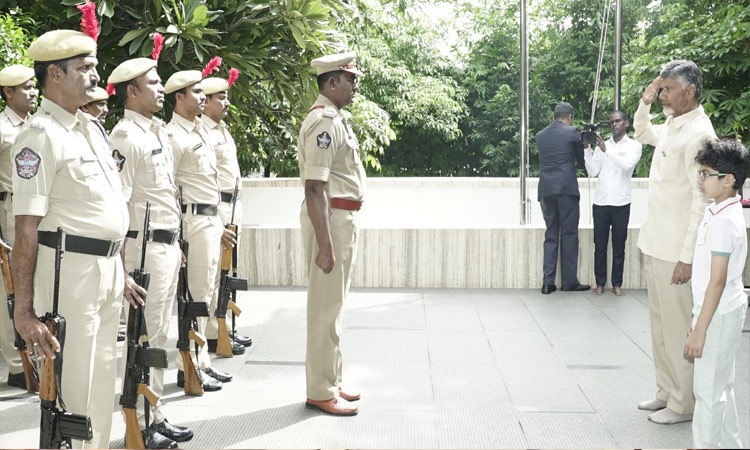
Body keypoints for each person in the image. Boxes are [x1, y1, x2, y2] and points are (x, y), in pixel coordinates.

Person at [11, 29, 129, 448]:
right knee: (74, 386)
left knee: (101, 383)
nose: (95, 75)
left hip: (107, 269)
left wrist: (120, 267)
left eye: (94, 65)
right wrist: (23, 311)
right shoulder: (40, 135)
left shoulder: (91, 129)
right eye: (84, 68)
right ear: (55, 75)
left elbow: (103, 211)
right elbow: (25, 226)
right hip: (70, 273)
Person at [108, 57, 193, 448]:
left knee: (158, 334)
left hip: (165, 245)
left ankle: (154, 414)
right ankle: (140, 424)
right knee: (145, 338)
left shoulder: (155, 131)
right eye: (153, 83)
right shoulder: (125, 136)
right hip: (143, 251)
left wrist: (176, 244)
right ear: (132, 91)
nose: (162, 89)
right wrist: (122, 269)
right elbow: (118, 205)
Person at [634, 60, 717, 425]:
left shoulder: (698, 134)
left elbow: (702, 200)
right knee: (659, 325)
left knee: (677, 324)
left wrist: (687, 258)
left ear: (690, 91)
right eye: (662, 88)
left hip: (675, 251)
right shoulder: (672, 125)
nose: (663, 94)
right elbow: (641, 133)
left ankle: (683, 404)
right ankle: (665, 392)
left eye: (668, 89)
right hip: (655, 242)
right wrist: (646, 101)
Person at [299, 52, 365, 416]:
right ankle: (320, 390)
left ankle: (332, 380)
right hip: (330, 220)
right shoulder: (324, 121)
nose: (355, 85)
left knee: (334, 306)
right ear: (331, 82)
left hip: (341, 219)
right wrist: (325, 244)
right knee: (324, 309)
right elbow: (314, 187)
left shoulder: (336, 118)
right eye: (350, 79)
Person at [164, 70, 233, 391]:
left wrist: (219, 222)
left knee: (205, 293)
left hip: (209, 219)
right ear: (179, 97)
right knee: (192, 297)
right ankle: (186, 365)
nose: (202, 97)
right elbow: (170, 189)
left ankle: (201, 360)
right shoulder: (173, 136)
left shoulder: (199, 131)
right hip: (190, 222)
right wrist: (177, 235)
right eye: (196, 92)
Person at [685, 139, 749, 448]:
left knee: (708, 394)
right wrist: (698, 316)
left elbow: (717, 281)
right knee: (721, 386)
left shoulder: (724, 220)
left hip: (719, 313)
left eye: (706, 173)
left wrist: (700, 329)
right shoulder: (719, 210)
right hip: (720, 311)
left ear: (729, 180)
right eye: (700, 172)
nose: (701, 180)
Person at [201, 74, 252, 354]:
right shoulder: (204, 132)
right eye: (220, 97)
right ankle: (212, 333)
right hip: (218, 207)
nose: (226, 102)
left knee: (229, 272)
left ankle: (226, 327)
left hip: (233, 206)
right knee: (215, 275)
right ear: (205, 101)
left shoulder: (222, 129)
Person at [0, 63, 36, 390]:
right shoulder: (1, 127)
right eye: (25, 87)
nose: (33, 92)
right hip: (10, 208)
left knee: (34, 282)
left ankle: (35, 356)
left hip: (36, 208)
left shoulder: (35, 125)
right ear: (8, 92)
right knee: (10, 288)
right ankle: (16, 363)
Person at [584, 111, 642, 296]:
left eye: (617, 121)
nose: (614, 125)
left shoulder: (634, 146)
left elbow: (626, 166)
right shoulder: (603, 145)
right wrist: (587, 148)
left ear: (626, 123)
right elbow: (592, 171)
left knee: (619, 246)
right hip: (601, 202)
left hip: (621, 203)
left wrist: (605, 150)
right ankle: (600, 283)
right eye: (611, 122)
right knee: (599, 246)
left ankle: (617, 283)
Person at [536, 102, 590, 294]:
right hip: (566, 189)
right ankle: (569, 282)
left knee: (551, 234)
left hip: (546, 190)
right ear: (570, 117)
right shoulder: (573, 132)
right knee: (569, 234)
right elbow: (582, 162)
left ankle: (547, 283)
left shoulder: (540, 136)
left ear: (553, 117)